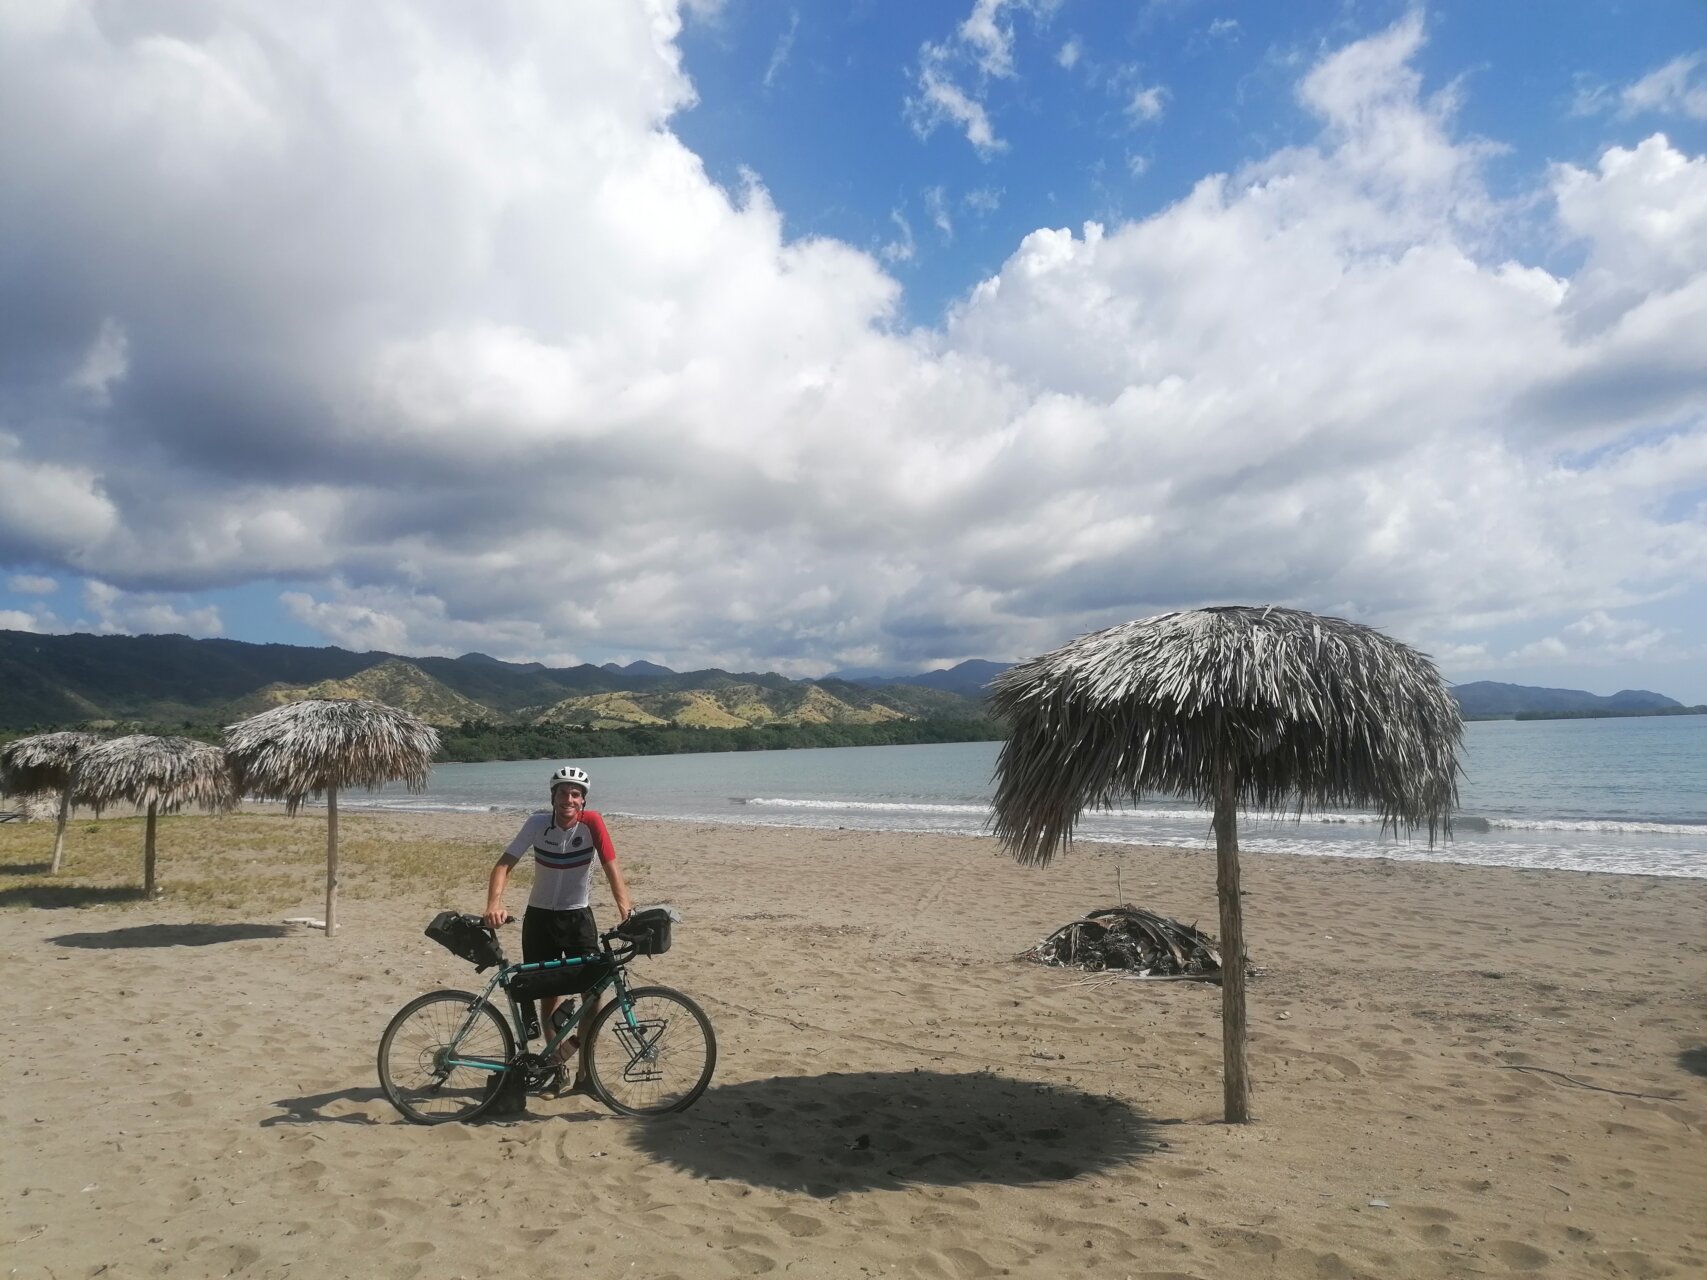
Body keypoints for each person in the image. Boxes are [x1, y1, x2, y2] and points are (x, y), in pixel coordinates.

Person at [483, 765, 633, 1092]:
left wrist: (626, 910)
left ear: (583, 800)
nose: (569, 798)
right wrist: (494, 903)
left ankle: (584, 1075)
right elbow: (504, 864)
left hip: (578, 919)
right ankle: (555, 1068)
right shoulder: (538, 824)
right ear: (553, 797)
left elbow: (612, 867)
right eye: (563, 792)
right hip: (540, 920)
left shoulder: (593, 823)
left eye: (575, 794)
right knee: (547, 997)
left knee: (593, 994)